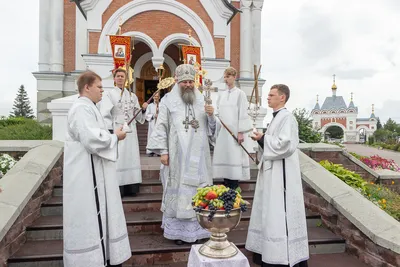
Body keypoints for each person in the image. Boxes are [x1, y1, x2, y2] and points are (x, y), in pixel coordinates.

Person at [63, 71, 131, 267]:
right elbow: (91, 139)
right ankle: (87, 260)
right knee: (89, 216)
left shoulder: (89, 107)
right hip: (85, 175)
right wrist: (115, 137)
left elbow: (95, 133)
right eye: (99, 87)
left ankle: (102, 256)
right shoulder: (81, 108)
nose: (103, 91)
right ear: (87, 87)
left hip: (94, 170)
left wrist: (111, 134)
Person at [146, 64, 216, 245]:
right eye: (184, 81)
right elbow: (161, 125)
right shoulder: (168, 100)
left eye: (190, 82)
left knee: (198, 189)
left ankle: (199, 231)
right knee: (179, 191)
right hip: (177, 156)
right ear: (177, 81)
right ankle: (179, 233)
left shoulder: (202, 100)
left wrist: (211, 117)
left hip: (199, 157)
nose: (187, 85)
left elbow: (212, 131)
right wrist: (163, 151)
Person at [245, 84, 309, 267]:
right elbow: (275, 143)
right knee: (270, 213)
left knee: (280, 214)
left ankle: (281, 257)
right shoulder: (276, 118)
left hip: (282, 177)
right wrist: (262, 139)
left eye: (272, 95)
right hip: (273, 173)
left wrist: (263, 139)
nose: (268, 98)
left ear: (282, 97)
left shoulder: (287, 118)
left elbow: (286, 144)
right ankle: (268, 252)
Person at [98, 68, 148, 197]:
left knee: (131, 157)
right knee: (120, 158)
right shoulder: (109, 95)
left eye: (122, 76)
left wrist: (142, 109)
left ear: (126, 79)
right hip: (118, 129)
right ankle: (119, 188)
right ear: (114, 79)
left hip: (131, 131)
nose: (120, 78)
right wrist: (110, 131)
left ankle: (131, 188)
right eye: (118, 76)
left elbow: (138, 116)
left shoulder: (132, 95)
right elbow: (105, 113)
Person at [213, 67, 252, 189]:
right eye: (225, 77)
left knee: (234, 158)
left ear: (234, 77)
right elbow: (218, 112)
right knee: (225, 157)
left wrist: (240, 132)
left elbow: (243, 113)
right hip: (224, 133)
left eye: (228, 76)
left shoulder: (240, 94)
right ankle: (226, 187)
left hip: (235, 132)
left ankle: (234, 188)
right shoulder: (222, 95)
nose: (226, 79)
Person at [145, 91, 160, 157]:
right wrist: (154, 116)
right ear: (153, 97)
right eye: (155, 96)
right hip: (152, 123)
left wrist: (159, 115)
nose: (156, 98)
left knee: (159, 137)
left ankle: (159, 151)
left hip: (159, 124)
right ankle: (151, 151)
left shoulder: (162, 105)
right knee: (151, 137)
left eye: (157, 96)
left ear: (159, 97)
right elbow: (146, 115)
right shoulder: (150, 106)